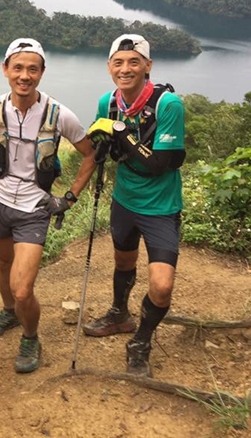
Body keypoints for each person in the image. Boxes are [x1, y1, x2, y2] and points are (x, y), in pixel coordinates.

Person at [0, 38, 96, 373]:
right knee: (3, 261)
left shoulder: (58, 114)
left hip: (34, 207)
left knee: (23, 288)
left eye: (32, 69)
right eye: (18, 67)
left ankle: (30, 334)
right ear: (5, 69)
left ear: (41, 73)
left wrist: (70, 197)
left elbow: (90, 153)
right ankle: (9, 311)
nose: (25, 75)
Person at [85, 33, 185, 377]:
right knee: (123, 260)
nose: (125, 69)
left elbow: (160, 163)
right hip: (124, 200)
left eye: (134, 61)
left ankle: (141, 340)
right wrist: (103, 146)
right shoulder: (107, 103)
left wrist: (121, 134)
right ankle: (119, 313)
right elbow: (113, 151)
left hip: (161, 206)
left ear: (148, 66)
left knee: (162, 285)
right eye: (118, 62)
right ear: (110, 67)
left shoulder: (168, 104)